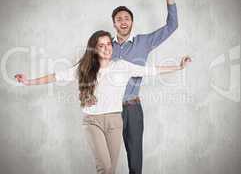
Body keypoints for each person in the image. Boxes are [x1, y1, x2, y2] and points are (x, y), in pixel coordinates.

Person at [15, 30, 191, 174]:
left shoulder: (122, 66)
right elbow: (56, 76)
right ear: (94, 49)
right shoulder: (84, 68)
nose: (107, 48)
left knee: (110, 170)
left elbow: (151, 70)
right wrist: (29, 81)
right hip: (93, 122)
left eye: (109, 44)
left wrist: (178, 66)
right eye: (101, 45)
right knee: (105, 168)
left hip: (115, 121)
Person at [85, 0, 178, 174]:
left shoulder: (144, 42)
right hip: (108, 111)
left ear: (132, 22)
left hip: (132, 109)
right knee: (108, 164)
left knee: (135, 160)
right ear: (114, 24)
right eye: (119, 19)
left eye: (127, 18)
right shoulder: (105, 46)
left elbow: (172, 26)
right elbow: (89, 71)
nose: (123, 21)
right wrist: (89, 93)